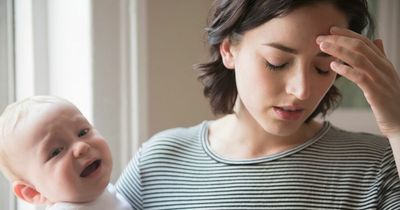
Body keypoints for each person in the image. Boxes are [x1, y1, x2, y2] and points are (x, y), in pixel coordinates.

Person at [116, 0, 400, 209]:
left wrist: (398, 128)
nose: (301, 91)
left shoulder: (378, 165)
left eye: (323, 68)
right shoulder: (157, 164)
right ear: (228, 49)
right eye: (277, 63)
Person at [0, 96, 132, 210]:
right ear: (32, 192)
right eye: (56, 151)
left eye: (83, 132)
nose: (81, 147)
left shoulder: (106, 193)